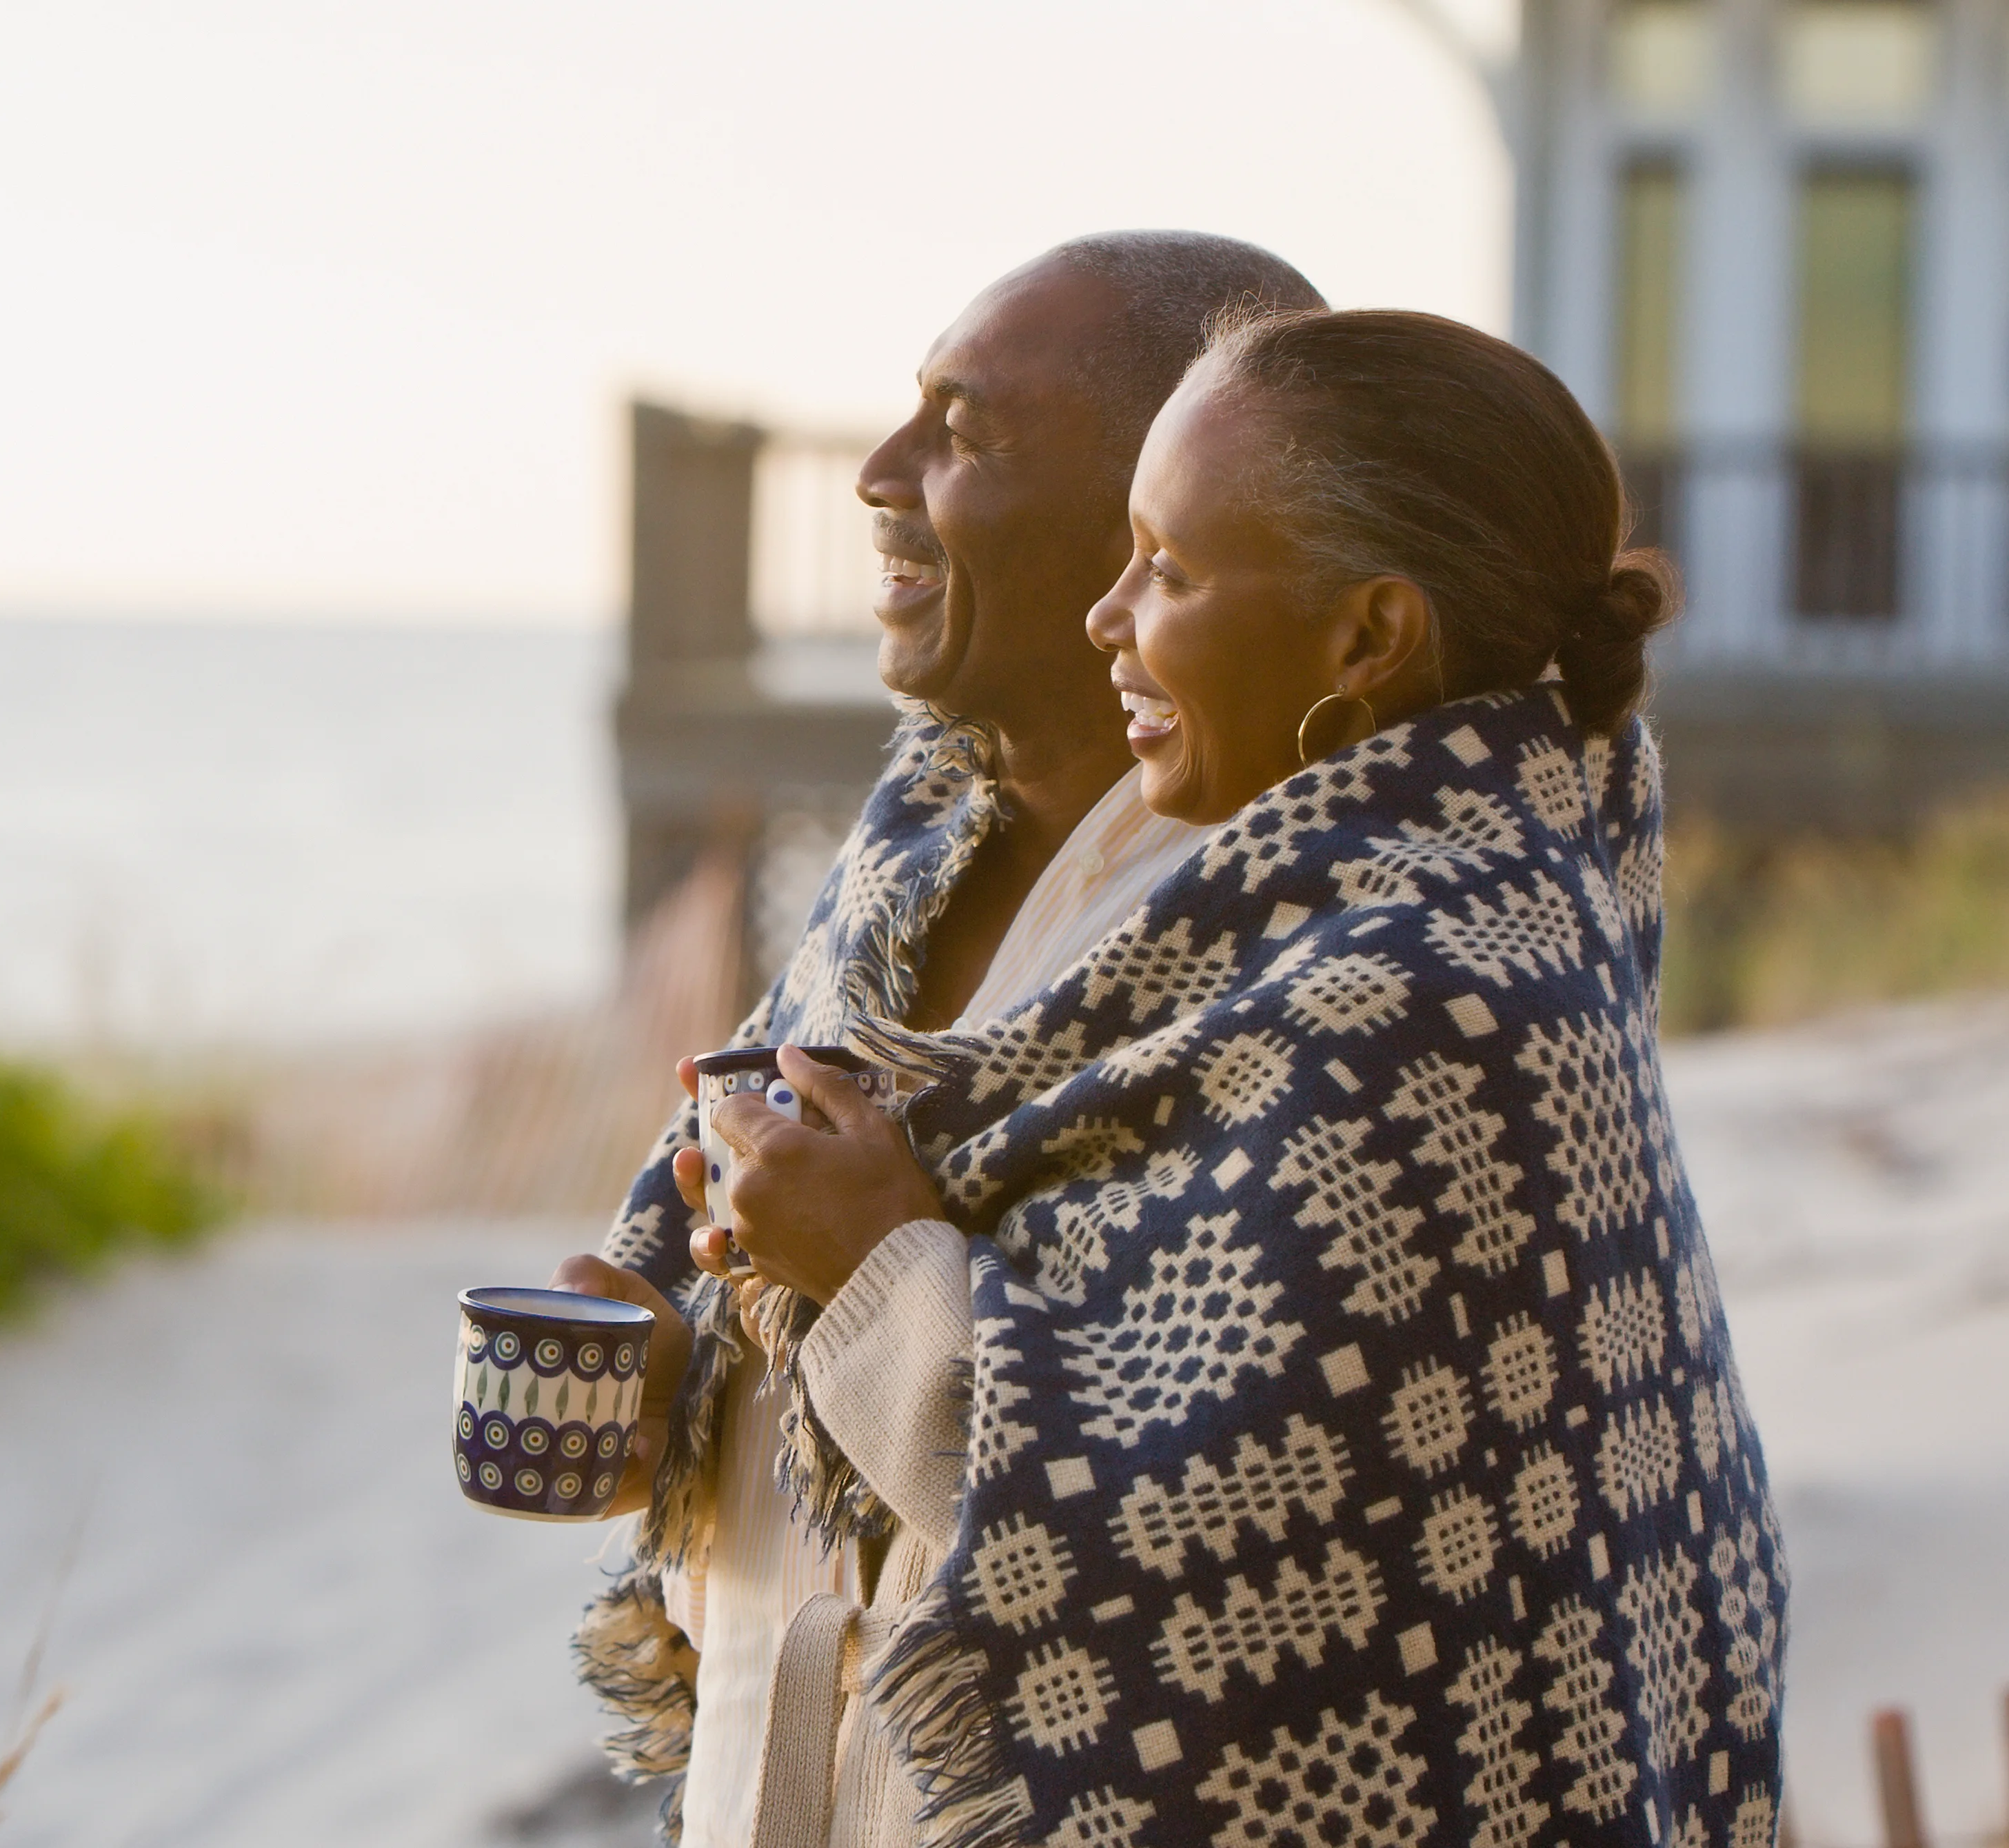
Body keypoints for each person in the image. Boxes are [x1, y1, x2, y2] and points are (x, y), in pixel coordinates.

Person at [672, 308, 1786, 1848]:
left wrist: (874, 1266)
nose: (1106, 618)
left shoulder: (1419, 993)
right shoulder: (1367, 915)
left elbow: (1195, 1565)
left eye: (1170, 570)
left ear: (1368, 637)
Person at [552, 233, 1325, 1845]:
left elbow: (1235, 1523)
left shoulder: (1311, 947)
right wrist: (682, 1369)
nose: (882, 475)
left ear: (1167, 499)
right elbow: (759, 1270)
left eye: (965, 435)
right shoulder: (902, 842)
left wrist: (881, 1269)